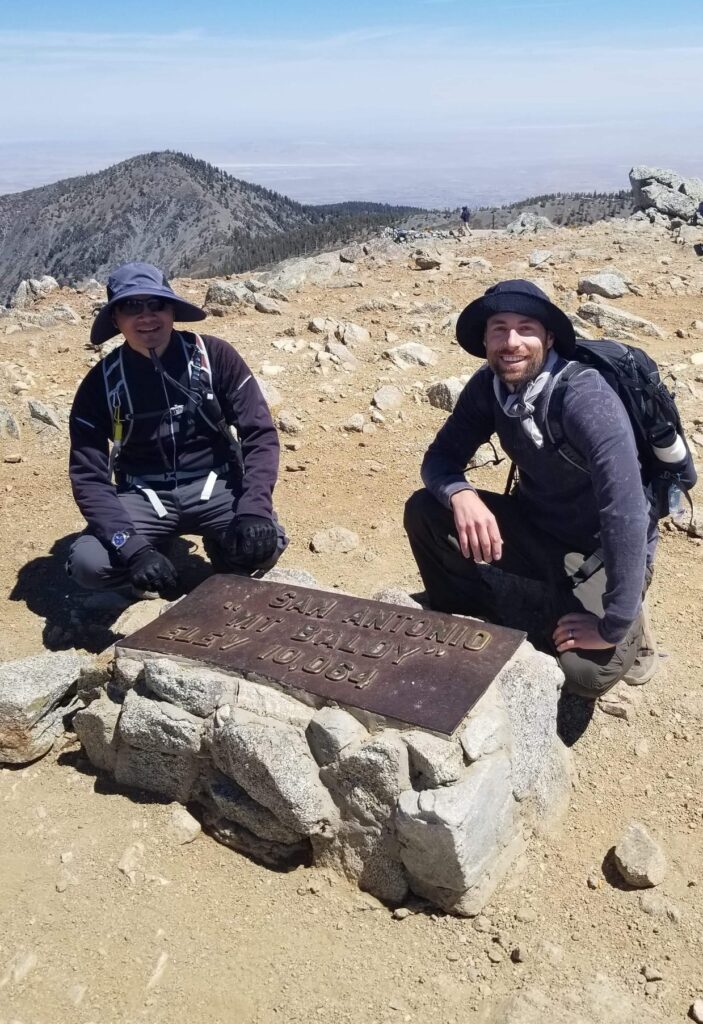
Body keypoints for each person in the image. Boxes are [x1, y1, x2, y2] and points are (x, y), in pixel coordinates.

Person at [404, 279, 656, 699]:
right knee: (425, 512)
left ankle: (633, 618)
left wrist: (612, 624)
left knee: (586, 674)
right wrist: (460, 493)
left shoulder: (583, 396)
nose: (511, 342)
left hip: (598, 548)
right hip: (535, 523)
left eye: (526, 328)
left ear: (549, 337)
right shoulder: (489, 387)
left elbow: (625, 512)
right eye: (499, 328)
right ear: (485, 338)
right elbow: (439, 460)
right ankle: (471, 618)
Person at [67, 262, 287, 595]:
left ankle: (228, 552)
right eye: (131, 306)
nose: (146, 316)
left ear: (172, 310)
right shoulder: (101, 383)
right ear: (115, 319)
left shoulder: (214, 356)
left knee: (264, 546)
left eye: (156, 304)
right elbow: (88, 477)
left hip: (216, 483)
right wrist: (133, 550)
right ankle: (151, 557)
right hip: (142, 493)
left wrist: (255, 510)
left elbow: (259, 434)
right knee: (89, 565)